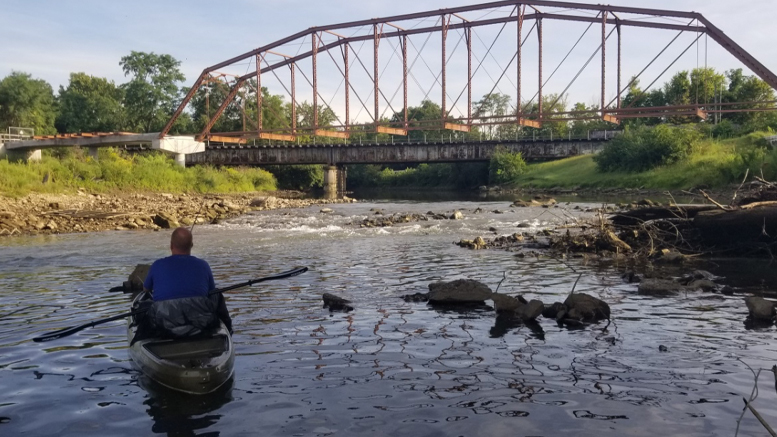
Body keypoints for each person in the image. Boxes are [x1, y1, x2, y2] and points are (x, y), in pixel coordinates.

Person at [141, 227, 233, 337]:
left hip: (164, 322)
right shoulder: (203, 265)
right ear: (191, 246)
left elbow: (145, 290)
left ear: (171, 245)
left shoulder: (157, 265)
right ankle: (228, 330)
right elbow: (211, 292)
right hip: (200, 320)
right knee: (216, 293)